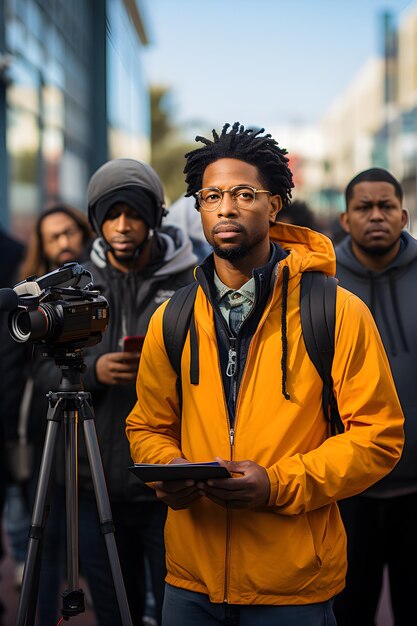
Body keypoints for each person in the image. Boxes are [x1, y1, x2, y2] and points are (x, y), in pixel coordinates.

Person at [125, 122, 404, 626]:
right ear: (199, 207)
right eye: (211, 196)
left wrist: (277, 484)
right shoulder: (172, 317)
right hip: (189, 582)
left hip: (292, 588)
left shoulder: (337, 311)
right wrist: (170, 472)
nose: (226, 207)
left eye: (244, 194)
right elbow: (147, 426)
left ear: (273, 206)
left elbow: (379, 437)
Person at [73, 157, 197, 626]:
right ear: (96, 220)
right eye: (111, 214)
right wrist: (94, 370)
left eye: (134, 213)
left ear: (154, 217)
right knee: (114, 612)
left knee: (179, 611)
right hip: (94, 485)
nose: (122, 226)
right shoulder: (74, 284)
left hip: (172, 485)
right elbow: (39, 377)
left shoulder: (192, 282)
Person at [1, 204, 94, 624]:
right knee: (44, 539)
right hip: (43, 431)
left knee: (98, 543)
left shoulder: (99, 287)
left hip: (97, 436)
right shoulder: (25, 296)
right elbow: (12, 369)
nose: (64, 243)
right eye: (53, 236)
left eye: (69, 233)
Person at [333, 167, 417, 626]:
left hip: (416, 488)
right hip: (348, 493)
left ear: (403, 216)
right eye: (364, 207)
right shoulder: (321, 286)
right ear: (346, 219)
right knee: (348, 612)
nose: (376, 216)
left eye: (386, 206)